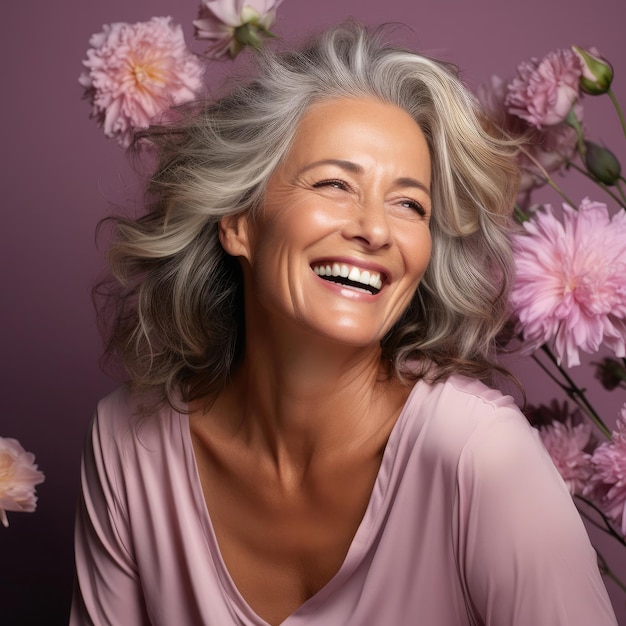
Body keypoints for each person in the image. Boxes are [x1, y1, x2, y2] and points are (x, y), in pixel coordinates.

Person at [71, 21, 618, 626]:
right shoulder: (128, 441)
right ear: (238, 221)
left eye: (409, 204)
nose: (377, 230)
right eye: (335, 184)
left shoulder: (481, 457)